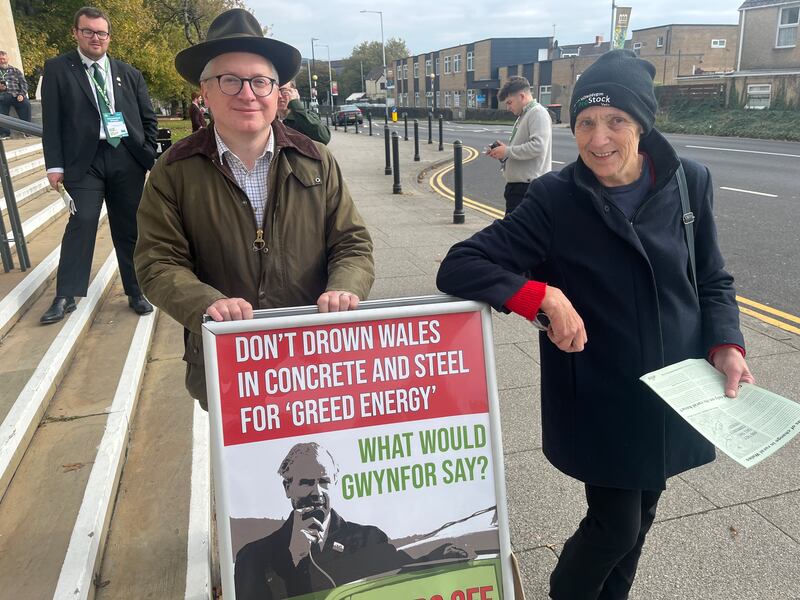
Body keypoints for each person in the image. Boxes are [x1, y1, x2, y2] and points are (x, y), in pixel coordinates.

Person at [436, 50, 755, 600]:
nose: (598, 138)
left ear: (642, 123)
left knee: (644, 515)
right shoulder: (555, 197)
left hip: (675, 387)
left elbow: (712, 278)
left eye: (616, 121)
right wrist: (540, 295)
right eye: (585, 122)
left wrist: (726, 342)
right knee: (616, 526)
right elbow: (461, 265)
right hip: (600, 392)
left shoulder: (689, 184)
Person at [133, 9, 374, 409]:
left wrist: (345, 286)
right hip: (227, 363)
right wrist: (205, 303)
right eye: (230, 81)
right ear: (205, 93)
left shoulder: (315, 159)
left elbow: (352, 243)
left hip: (312, 355)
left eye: (260, 82)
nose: (248, 94)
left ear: (277, 93)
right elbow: (157, 262)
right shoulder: (173, 170)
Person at [39, 6, 158, 324]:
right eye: (88, 31)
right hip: (84, 161)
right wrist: (54, 165)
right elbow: (51, 122)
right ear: (76, 33)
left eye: (101, 32)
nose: (95, 37)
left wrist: (147, 151)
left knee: (130, 227)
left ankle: (136, 291)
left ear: (109, 36)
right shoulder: (58, 69)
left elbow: (148, 118)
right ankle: (66, 295)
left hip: (125, 157)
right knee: (82, 221)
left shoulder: (128, 73)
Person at [234, 443, 415, 599]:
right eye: (306, 482)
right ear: (287, 488)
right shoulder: (252, 556)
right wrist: (294, 560)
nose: (317, 492)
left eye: (324, 481)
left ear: (335, 483)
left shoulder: (368, 539)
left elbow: (412, 574)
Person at [486, 76, 552, 215]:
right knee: (515, 234)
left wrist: (508, 151)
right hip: (519, 188)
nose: (508, 107)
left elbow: (538, 147)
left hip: (527, 188)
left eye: (510, 102)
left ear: (522, 96)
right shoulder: (524, 115)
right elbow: (522, 149)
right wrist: (502, 153)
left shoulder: (537, 113)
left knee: (516, 235)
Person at [277, 79, 331, 144]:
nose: (279, 96)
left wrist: (296, 104)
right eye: (276, 91)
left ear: (295, 93)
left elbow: (324, 138)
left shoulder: (305, 117)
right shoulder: (268, 119)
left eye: (284, 91)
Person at [0, 50, 32, 139]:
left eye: (3, 59)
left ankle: (27, 130)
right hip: (2, 96)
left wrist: (22, 94)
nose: (2, 61)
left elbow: (24, 84)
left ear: (7, 59)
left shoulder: (15, 70)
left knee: (26, 105)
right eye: (0, 59)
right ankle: (4, 133)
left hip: (16, 95)